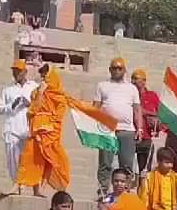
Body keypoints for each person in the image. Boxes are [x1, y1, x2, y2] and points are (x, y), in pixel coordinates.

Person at [18, 66, 118, 194]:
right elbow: (32, 111)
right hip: (37, 134)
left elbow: (58, 117)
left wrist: (48, 122)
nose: (44, 80)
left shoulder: (59, 97)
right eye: (42, 77)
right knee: (36, 161)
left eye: (46, 77)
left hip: (52, 137)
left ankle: (54, 188)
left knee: (58, 162)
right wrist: (41, 94)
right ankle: (35, 189)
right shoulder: (36, 93)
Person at [94, 57, 141, 196]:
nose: (117, 70)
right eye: (114, 68)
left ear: (124, 70)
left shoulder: (132, 88)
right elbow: (95, 107)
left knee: (126, 164)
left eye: (120, 68)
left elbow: (137, 109)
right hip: (107, 130)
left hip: (127, 130)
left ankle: (125, 192)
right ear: (110, 70)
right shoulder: (102, 85)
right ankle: (102, 191)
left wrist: (140, 128)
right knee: (105, 163)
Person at [0, 59, 37, 195]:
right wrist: (12, 105)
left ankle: (32, 186)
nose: (16, 74)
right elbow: (0, 109)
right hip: (12, 127)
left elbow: (41, 103)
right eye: (14, 71)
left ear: (25, 72)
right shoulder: (8, 90)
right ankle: (16, 185)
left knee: (29, 158)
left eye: (18, 71)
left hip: (28, 127)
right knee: (13, 158)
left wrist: (29, 103)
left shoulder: (33, 87)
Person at [131, 68, 161, 174]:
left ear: (144, 81)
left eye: (136, 78)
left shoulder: (152, 95)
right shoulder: (128, 95)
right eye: (132, 78)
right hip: (130, 137)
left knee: (144, 172)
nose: (133, 81)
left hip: (146, 138)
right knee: (127, 171)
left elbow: (161, 114)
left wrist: (145, 112)